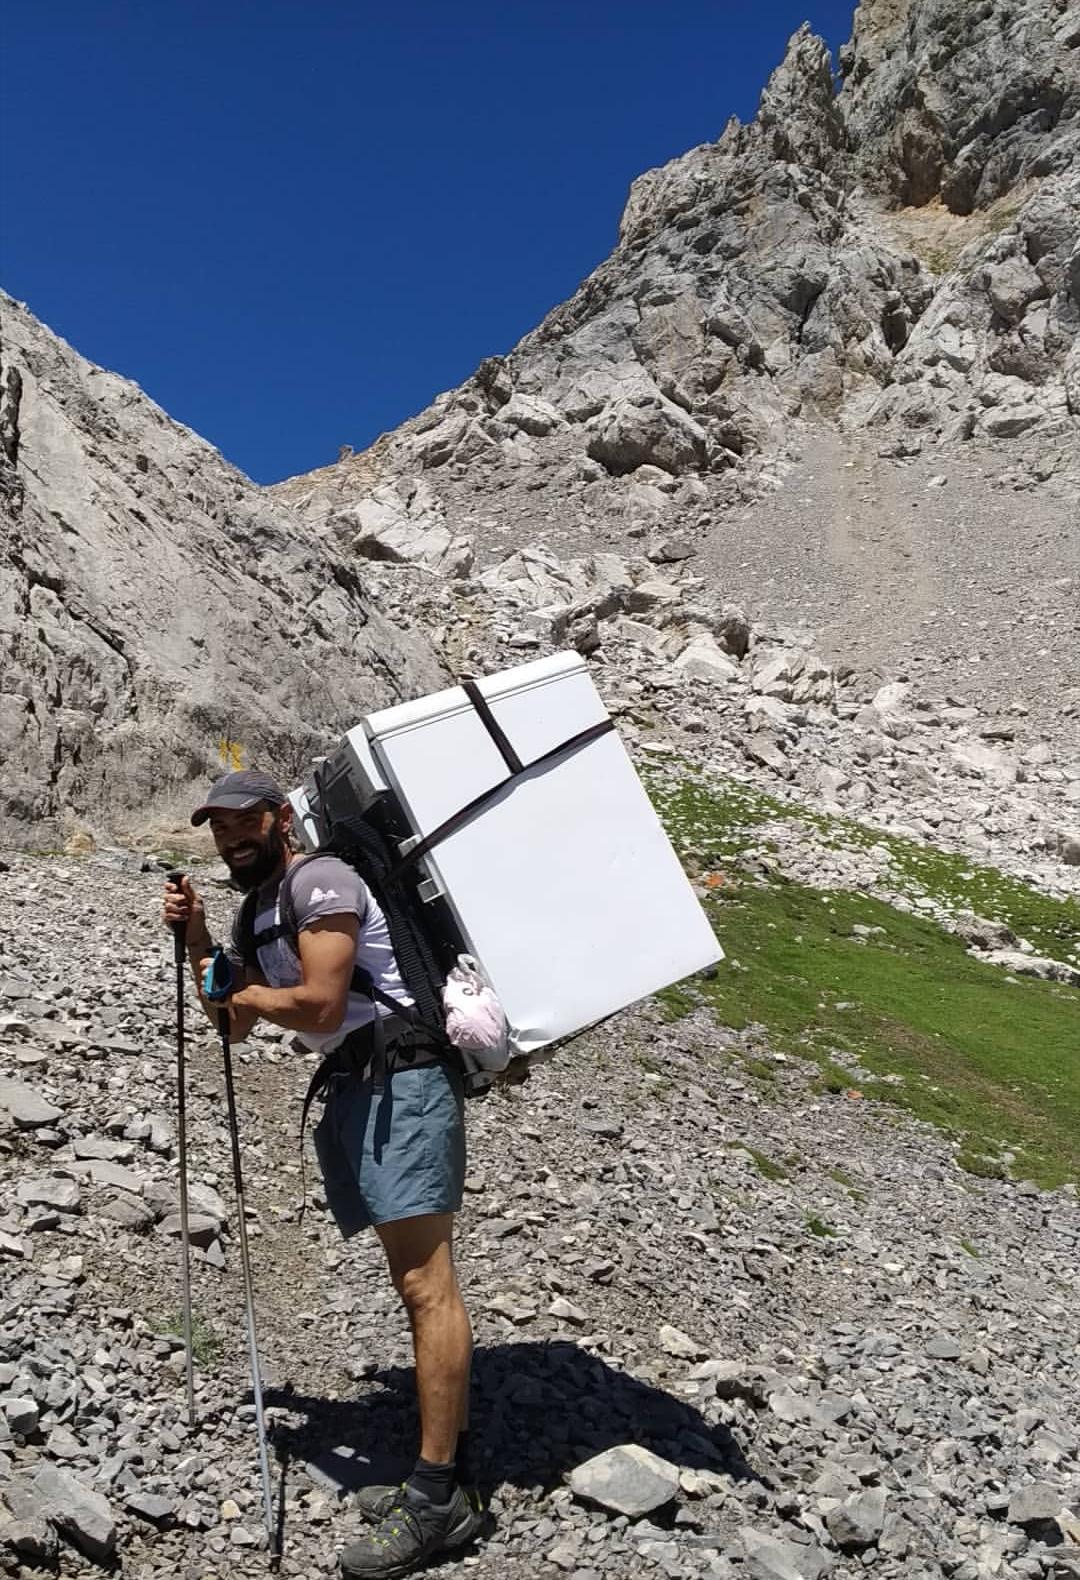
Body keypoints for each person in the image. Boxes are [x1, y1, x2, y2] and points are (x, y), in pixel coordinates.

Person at [162, 769, 483, 1579]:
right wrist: (202, 941)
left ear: (278, 818)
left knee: (426, 1286)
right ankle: (443, 1470)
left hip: (401, 1078)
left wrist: (248, 987)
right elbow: (231, 1022)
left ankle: (441, 1497)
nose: (230, 838)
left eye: (243, 822)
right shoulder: (256, 909)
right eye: (218, 829)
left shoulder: (323, 882)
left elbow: (321, 1005)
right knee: (416, 1283)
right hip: (356, 1088)